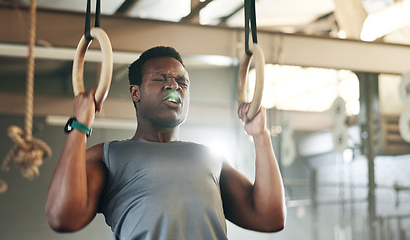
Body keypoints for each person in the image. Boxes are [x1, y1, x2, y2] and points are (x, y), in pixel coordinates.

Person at [45, 46, 286, 239]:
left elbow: (270, 218)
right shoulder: (108, 156)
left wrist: (260, 136)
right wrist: (79, 125)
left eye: (182, 82)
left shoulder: (210, 157)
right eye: (161, 78)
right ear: (135, 93)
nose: (173, 86)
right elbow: (62, 217)